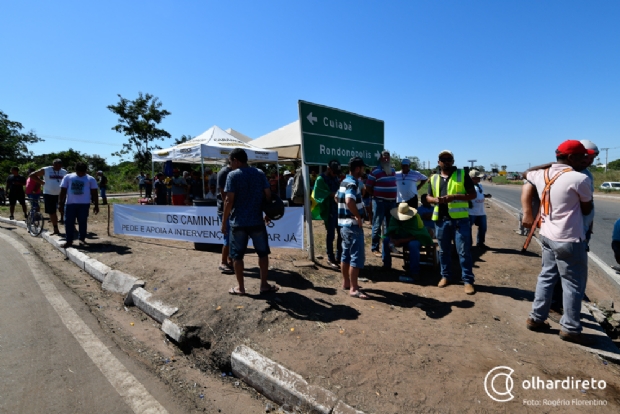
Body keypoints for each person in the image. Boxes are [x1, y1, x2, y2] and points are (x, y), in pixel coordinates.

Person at [522, 140, 593, 345]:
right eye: (581, 156)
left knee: (546, 277)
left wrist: (550, 164)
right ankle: (570, 328)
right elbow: (587, 209)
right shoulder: (579, 179)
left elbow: (527, 172)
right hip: (570, 238)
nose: (585, 160)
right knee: (573, 283)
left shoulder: (540, 174)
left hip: (547, 235)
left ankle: (536, 318)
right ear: (571, 158)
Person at [222, 148, 278, 295]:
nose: (230, 164)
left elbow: (229, 201)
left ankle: (240, 288)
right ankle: (264, 285)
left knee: (237, 256)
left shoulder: (232, 176)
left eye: (230, 161)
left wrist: (223, 222)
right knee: (262, 254)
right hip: (256, 220)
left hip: (238, 222)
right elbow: (268, 194)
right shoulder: (259, 173)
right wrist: (268, 213)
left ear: (236, 160)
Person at [427, 150, 477, 294]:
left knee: (463, 251)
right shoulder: (434, 178)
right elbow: (428, 197)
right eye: (443, 159)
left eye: (449, 159)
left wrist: (454, 196)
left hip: (460, 221)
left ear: (453, 161)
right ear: (439, 162)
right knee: (444, 251)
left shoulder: (462, 175)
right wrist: (435, 200)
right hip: (441, 220)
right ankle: (445, 276)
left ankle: (468, 280)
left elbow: (472, 195)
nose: (446, 161)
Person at [338, 157, 368, 299]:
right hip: (352, 225)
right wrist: (358, 216)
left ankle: (346, 283)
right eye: (362, 168)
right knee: (356, 256)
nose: (363, 171)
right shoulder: (352, 184)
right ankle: (354, 288)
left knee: (346, 255)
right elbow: (349, 201)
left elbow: (337, 198)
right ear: (357, 169)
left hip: (343, 225)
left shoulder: (343, 181)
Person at [382, 202, 433, 283]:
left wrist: (401, 241)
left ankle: (414, 272)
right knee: (386, 240)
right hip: (399, 236)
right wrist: (392, 239)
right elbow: (391, 229)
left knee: (413, 245)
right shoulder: (394, 217)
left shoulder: (416, 218)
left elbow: (417, 234)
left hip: (412, 238)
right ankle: (386, 265)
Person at [59, 162, 99, 248]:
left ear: (86, 171)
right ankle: (69, 241)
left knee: (82, 222)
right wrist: (60, 204)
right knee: (68, 222)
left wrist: (96, 205)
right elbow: (63, 191)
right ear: (75, 170)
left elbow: (94, 193)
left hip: (84, 205)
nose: (81, 174)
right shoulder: (68, 177)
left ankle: (82, 239)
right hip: (70, 204)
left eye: (83, 172)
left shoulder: (90, 179)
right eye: (79, 172)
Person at [312, 160, 343, 269]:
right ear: (328, 169)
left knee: (341, 233)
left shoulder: (335, 177)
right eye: (334, 172)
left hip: (339, 209)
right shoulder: (321, 179)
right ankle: (330, 257)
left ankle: (340, 256)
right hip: (329, 209)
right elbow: (318, 193)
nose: (335, 174)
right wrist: (332, 194)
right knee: (331, 235)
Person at [366, 150, 397, 256]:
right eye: (384, 157)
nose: (387, 158)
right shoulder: (375, 171)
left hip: (392, 202)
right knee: (377, 224)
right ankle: (375, 247)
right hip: (379, 202)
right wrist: (375, 196)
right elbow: (368, 187)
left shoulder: (392, 170)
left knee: (390, 225)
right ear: (380, 158)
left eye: (388, 156)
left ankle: (389, 246)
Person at [30, 159, 67, 234]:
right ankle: (55, 228)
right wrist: (41, 182)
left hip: (61, 194)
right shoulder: (46, 169)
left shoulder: (64, 172)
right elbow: (32, 175)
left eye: (60, 166)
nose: (58, 167)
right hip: (48, 194)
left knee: (64, 210)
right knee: (52, 211)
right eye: (56, 165)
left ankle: (70, 226)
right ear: (53, 164)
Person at [217, 160, 234, 274]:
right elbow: (224, 195)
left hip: (232, 209)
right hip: (226, 210)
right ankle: (223, 262)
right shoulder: (224, 172)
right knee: (227, 237)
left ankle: (230, 260)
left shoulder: (233, 172)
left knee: (232, 237)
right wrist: (227, 211)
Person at [468, 169, 492, 249]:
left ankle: (480, 243)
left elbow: (479, 194)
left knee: (483, 228)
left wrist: (485, 196)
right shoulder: (468, 186)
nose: (480, 179)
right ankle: (469, 244)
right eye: (478, 177)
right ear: (472, 178)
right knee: (468, 229)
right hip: (471, 212)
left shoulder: (480, 185)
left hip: (481, 211)